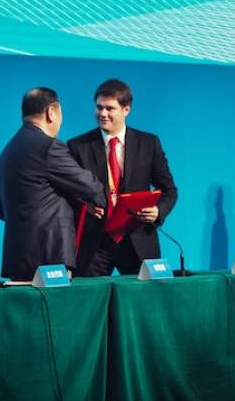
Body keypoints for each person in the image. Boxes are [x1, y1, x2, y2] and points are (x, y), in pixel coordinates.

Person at [0, 87, 106, 281]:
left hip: (18, 260)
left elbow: (0, 208)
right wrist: (91, 200)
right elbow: (92, 189)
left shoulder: (7, 152)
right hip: (49, 258)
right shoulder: (49, 147)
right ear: (51, 112)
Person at [67, 79, 177, 276]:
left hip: (138, 239)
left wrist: (158, 211)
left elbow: (169, 190)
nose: (102, 114)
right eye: (99, 107)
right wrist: (85, 207)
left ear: (126, 109)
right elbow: (69, 194)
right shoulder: (77, 146)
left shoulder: (149, 143)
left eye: (110, 108)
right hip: (95, 244)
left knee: (145, 296)